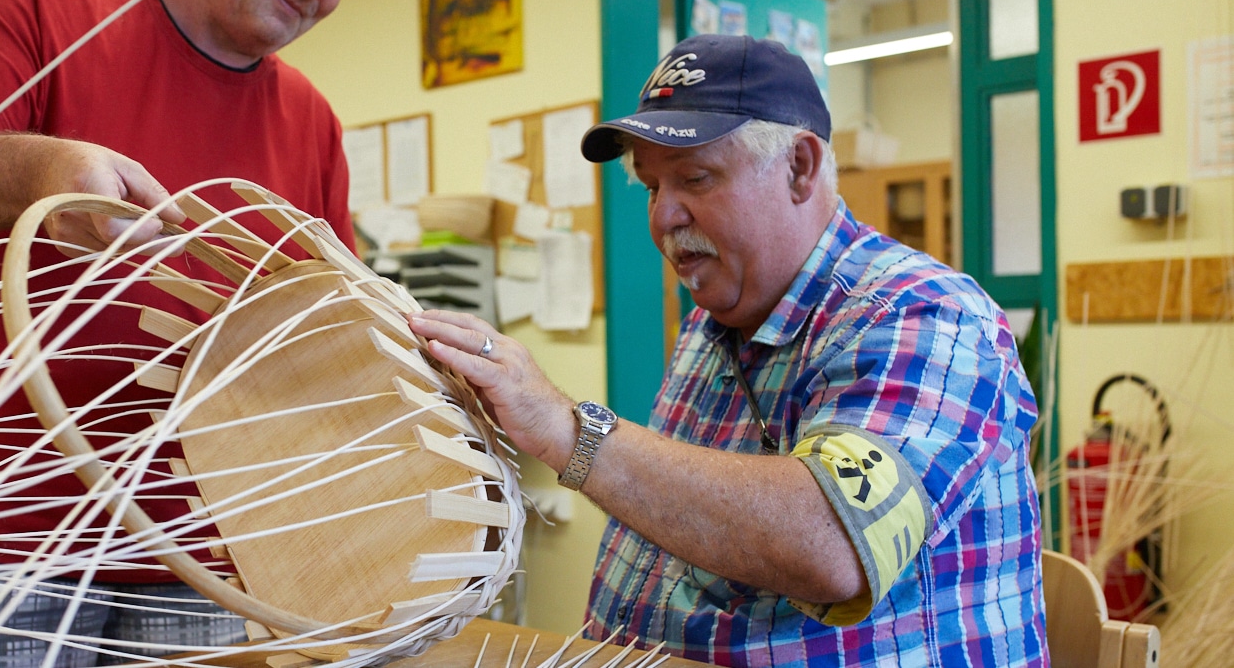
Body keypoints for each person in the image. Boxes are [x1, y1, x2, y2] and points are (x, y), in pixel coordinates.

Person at [409, 34, 1048, 666]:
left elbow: (834, 543)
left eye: (695, 177)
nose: (664, 218)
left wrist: (570, 432)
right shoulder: (715, 322)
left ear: (800, 168)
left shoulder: (925, 316)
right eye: (652, 187)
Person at [0, 0, 381, 664]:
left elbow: (327, 324)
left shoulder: (312, 124)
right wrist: (39, 172)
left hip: (200, 548)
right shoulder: (45, 10)